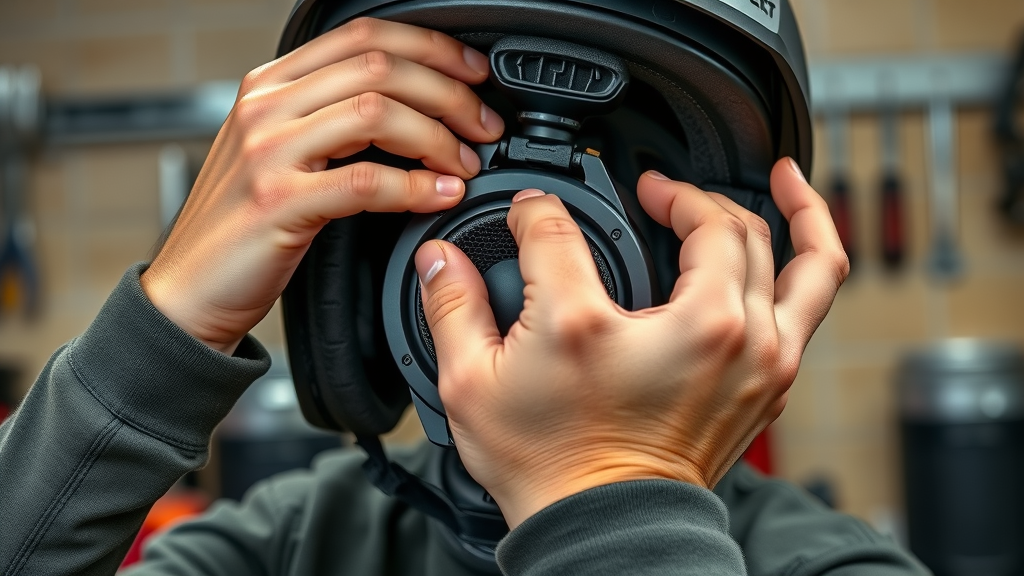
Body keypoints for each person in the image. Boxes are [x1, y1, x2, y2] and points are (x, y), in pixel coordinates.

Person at [0, 18, 928, 576]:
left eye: (603, 182)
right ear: (360, 266)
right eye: (463, 169)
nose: (528, 256)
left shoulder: (830, 565)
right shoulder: (291, 547)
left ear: (727, 265)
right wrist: (156, 338)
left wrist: (610, 495)